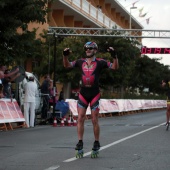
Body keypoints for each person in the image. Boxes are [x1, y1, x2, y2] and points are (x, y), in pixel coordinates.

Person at [63, 41, 119, 152]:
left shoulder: (100, 62)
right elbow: (67, 65)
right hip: (83, 93)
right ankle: (80, 142)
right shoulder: (80, 61)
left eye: (90, 48)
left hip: (94, 94)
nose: (88, 50)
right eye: (86, 48)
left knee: (94, 119)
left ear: (95, 50)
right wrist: (65, 56)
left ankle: (97, 142)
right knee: (80, 118)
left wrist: (114, 56)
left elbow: (114, 68)